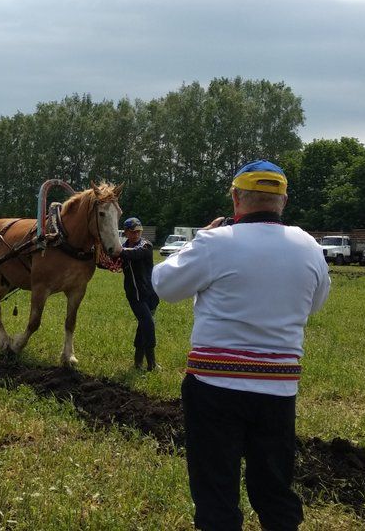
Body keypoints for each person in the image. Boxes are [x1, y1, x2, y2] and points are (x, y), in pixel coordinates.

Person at [151, 160, 331, 531]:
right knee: (275, 488)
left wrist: (193, 241)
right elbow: (315, 304)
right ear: (283, 201)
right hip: (279, 388)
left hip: (214, 387)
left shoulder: (214, 243)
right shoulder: (310, 247)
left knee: (216, 491)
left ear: (236, 198)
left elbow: (165, 286)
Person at [118, 217, 160, 371]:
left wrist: (118, 251)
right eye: (132, 232)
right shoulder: (122, 248)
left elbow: (135, 254)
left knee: (143, 325)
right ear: (126, 233)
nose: (136, 234)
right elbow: (111, 260)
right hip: (135, 295)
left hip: (151, 294)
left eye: (138, 231)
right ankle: (152, 364)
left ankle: (138, 362)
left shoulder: (146, 245)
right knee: (148, 324)